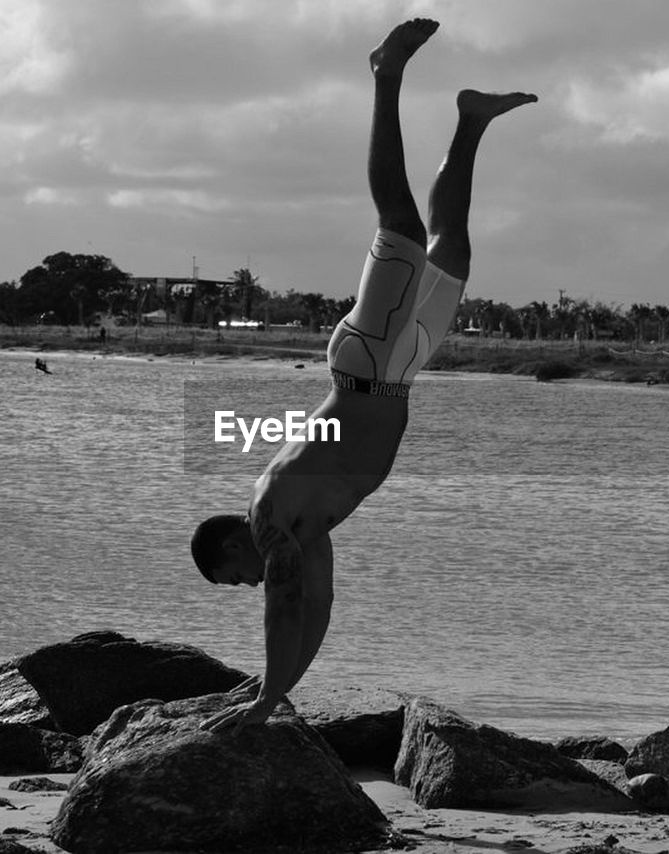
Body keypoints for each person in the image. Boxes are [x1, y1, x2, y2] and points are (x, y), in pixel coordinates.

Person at [191, 18, 536, 733]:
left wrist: (262, 696)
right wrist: (273, 690)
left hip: (366, 366)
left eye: (236, 579)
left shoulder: (272, 518)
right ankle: (471, 121)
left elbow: (284, 603)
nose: (249, 583)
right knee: (452, 248)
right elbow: (316, 609)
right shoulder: (304, 528)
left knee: (401, 227)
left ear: (232, 547)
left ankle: (386, 74)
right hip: (399, 371)